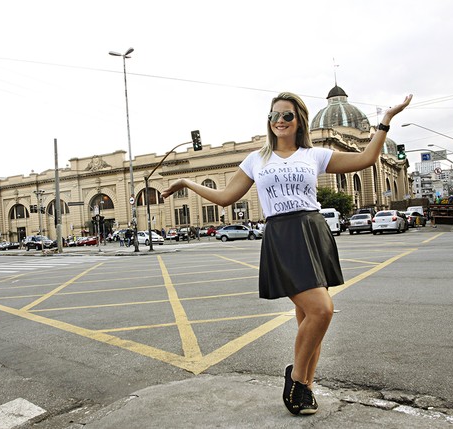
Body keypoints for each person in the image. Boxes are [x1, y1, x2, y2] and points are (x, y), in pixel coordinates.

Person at [162, 91, 412, 415]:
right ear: (269, 121)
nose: (280, 120)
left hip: (312, 229)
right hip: (282, 235)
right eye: (274, 115)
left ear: (299, 122)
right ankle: (295, 379)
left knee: (310, 319)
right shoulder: (256, 159)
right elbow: (225, 197)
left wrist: (385, 122)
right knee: (321, 310)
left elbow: (365, 159)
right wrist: (186, 182)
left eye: (287, 116)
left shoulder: (314, 155)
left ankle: (306, 388)